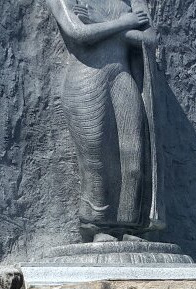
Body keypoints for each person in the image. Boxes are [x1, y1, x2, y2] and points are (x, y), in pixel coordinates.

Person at [47, 0, 160, 242]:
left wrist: (106, 23)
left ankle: (130, 225)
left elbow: (150, 38)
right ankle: (98, 225)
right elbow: (79, 33)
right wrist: (125, 25)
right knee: (96, 158)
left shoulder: (132, 2)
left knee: (133, 154)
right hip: (86, 79)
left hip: (122, 75)